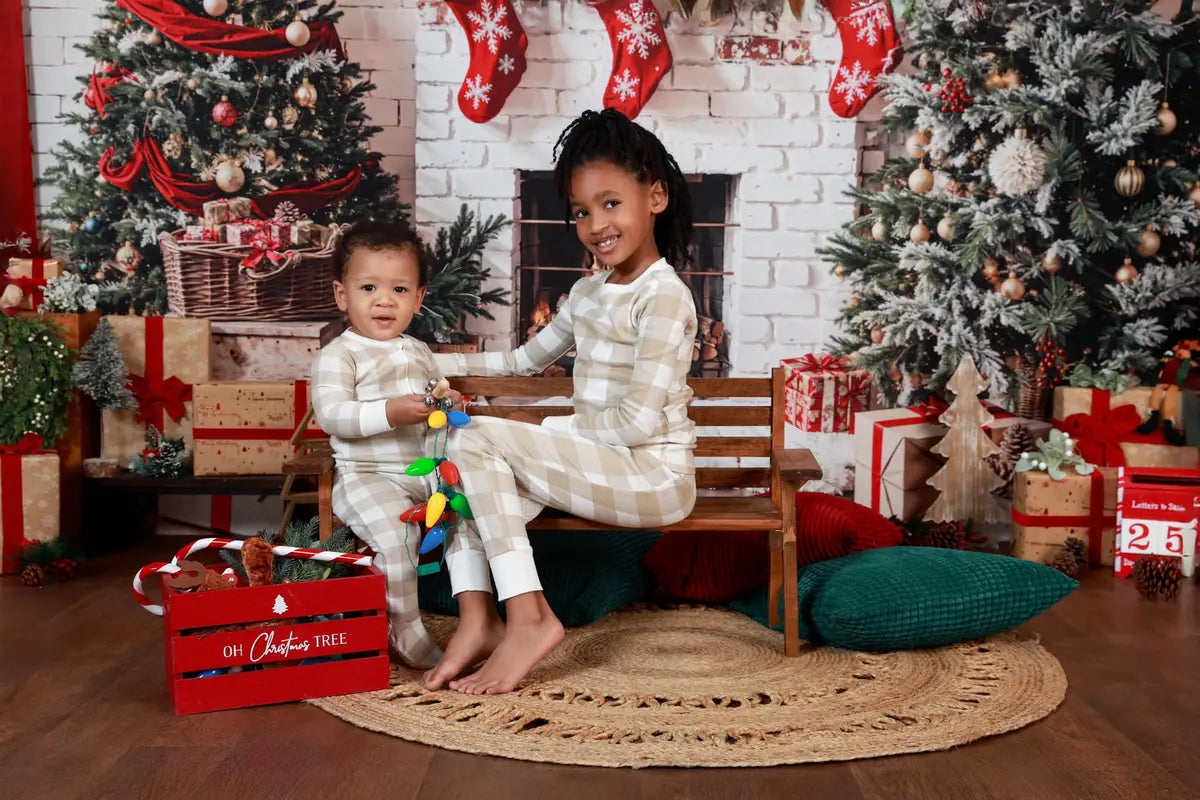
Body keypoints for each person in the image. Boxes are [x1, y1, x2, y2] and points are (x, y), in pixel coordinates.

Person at [426, 108, 700, 695]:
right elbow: (522, 360)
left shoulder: (665, 297)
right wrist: (431, 363)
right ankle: (480, 618)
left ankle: (529, 618)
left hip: (652, 476)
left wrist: (536, 423)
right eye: (581, 211)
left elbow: (634, 424)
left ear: (655, 196)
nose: (596, 223)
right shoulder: (586, 292)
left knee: (474, 437)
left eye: (610, 203)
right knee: (462, 465)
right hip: (598, 464)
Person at [310, 218, 467, 669]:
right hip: (368, 476)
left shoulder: (417, 350)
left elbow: (438, 392)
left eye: (400, 290)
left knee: (471, 525)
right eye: (368, 289)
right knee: (399, 542)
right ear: (343, 295)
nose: (384, 300)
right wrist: (389, 412)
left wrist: (448, 397)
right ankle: (406, 629)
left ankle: (479, 618)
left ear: (418, 299)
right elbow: (332, 414)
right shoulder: (339, 355)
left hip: (427, 476)